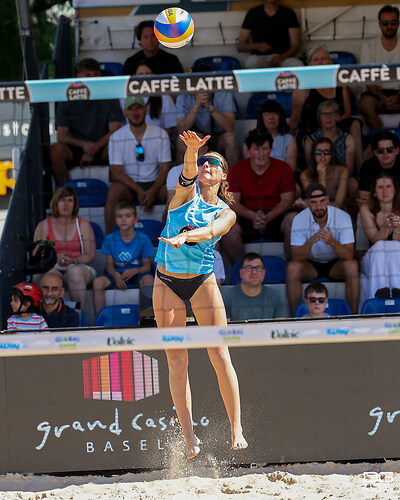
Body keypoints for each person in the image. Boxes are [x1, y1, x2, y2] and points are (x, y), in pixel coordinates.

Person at [153, 130, 247, 459]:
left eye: (215, 164)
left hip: (202, 279)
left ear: (223, 177)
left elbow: (212, 232)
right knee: (177, 360)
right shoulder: (182, 196)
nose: (207, 166)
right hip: (166, 281)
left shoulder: (225, 212)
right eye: (205, 162)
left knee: (220, 354)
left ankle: (236, 427)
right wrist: (193, 150)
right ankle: (189, 435)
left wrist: (188, 237)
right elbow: (187, 173)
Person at [221, 130, 295, 264]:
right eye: (256, 149)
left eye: (265, 149)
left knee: (294, 219)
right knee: (225, 225)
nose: (261, 154)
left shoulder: (283, 168)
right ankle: (241, 269)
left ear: (271, 150)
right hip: (247, 216)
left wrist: (267, 217)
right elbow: (232, 202)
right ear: (248, 150)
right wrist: (253, 216)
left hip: (276, 215)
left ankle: (291, 266)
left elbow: (287, 201)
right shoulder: (237, 170)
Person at [286, 183, 359, 316]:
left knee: (352, 266)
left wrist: (332, 242)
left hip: (336, 263)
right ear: (307, 203)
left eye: (322, 201)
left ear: (327, 200)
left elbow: (349, 255)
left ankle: (353, 316)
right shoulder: (299, 219)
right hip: (311, 264)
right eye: (313, 203)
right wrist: (310, 241)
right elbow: (296, 256)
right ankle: (295, 318)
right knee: (292, 268)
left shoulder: (342, 217)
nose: (319, 206)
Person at [50, 58, 124, 185]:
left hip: (103, 146)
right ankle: (63, 192)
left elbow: (115, 130)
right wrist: (85, 145)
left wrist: (94, 148)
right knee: (56, 150)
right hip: (77, 147)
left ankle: (116, 188)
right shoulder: (67, 98)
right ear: (79, 77)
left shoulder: (109, 95)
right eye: (88, 75)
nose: (92, 78)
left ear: (100, 75)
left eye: (95, 75)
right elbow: (61, 136)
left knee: (119, 144)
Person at [289, 46, 362, 170]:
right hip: (311, 131)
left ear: (330, 63)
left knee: (355, 124)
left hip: (335, 127)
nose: (320, 62)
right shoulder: (302, 88)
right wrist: (287, 141)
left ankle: (361, 170)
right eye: (315, 59)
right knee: (308, 140)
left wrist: (331, 121)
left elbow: (347, 112)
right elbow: (294, 120)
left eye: (323, 59)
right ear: (310, 64)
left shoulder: (340, 83)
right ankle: (312, 175)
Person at [105, 96, 171, 233]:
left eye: (139, 108)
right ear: (125, 113)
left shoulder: (160, 134)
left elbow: (165, 169)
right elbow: (116, 172)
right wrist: (138, 189)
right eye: (131, 109)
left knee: (175, 193)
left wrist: (153, 190)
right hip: (129, 186)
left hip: (155, 184)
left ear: (146, 110)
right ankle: (110, 240)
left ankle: (170, 239)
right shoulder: (116, 137)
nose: (135, 113)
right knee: (113, 191)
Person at [33, 186, 96, 313]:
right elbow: (36, 254)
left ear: (75, 204)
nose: (66, 204)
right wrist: (54, 258)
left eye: (70, 200)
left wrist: (74, 259)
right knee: (50, 274)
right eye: (62, 200)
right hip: (52, 266)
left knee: (74, 272)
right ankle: (49, 317)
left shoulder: (83, 224)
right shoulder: (44, 225)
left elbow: (90, 256)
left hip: (79, 266)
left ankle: (79, 316)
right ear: (56, 203)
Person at [93, 201, 155, 316]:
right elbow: (109, 266)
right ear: (116, 220)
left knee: (149, 280)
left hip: (137, 272)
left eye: (128, 216)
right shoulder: (110, 239)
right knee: (97, 282)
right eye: (120, 216)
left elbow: (147, 267)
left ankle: (148, 318)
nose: (123, 220)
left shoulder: (143, 239)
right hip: (117, 273)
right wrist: (116, 275)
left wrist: (135, 270)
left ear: (135, 220)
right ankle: (99, 320)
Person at [175, 63, 241, 167]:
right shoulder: (183, 96)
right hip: (196, 139)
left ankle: (232, 179)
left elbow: (229, 127)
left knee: (230, 138)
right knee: (181, 141)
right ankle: (184, 179)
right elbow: (181, 129)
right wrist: (197, 104)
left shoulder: (223, 92)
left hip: (218, 138)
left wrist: (208, 105)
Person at [359, 174, 400, 307]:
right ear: (374, 192)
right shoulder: (366, 209)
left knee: (394, 245)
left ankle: (396, 291)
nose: (385, 191)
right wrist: (386, 228)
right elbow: (374, 239)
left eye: (388, 186)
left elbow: (396, 242)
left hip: (396, 255)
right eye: (380, 187)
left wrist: (398, 228)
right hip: (373, 257)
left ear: (395, 190)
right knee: (381, 245)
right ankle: (378, 293)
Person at [359, 5, 400, 129]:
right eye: (385, 23)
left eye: (393, 23)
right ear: (380, 24)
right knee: (365, 104)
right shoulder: (369, 47)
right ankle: (380, 141)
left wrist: (398, 97)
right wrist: (384, 98)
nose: (389, 26)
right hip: (377, 94)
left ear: (398, 23)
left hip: (399, 92)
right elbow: (368, 80)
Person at [222, 252, 288, 321]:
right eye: (249, 268)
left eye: (258, 268)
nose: (254, 272)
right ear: (241, 273)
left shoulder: (276, 297)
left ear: (264, 273)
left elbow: (280, 328)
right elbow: (225, 329)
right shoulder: (226, 298)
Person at [236, 0, 302, 69]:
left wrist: (281, 58)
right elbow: (240, 46)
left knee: (297, 64)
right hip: (260, 58)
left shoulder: (289, 14)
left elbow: (295, 45)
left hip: (284, 58)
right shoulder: (252, 13)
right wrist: (257, 46)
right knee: (252, 61)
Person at [303, 100, 355, 175]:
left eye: (331, 113)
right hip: (318, 179)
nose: (328, 117)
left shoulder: (348, 139)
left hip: (342, 179)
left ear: (337, 116)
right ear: (319, 117)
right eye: (324, 113)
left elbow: (349, 168)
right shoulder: (310, 140)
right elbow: (310, 168)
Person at [124, 61, 177, 135]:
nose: (144, 77)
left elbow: (169, 129)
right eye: (140, 74)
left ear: (154, 75)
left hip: (159, 139)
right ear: (134, 76)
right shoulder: (124, 97)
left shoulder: (165, 98)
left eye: (147, 74)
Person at [300, 137, 349, 209]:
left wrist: (321, 176)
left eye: (326, 152)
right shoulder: (305, 175)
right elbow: (317, 203)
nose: (322, 156)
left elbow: (339, 204)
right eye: (318, 152)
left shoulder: (342, 171)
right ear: (313, 155)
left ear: (332, 155)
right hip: (316, 213)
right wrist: (321, 177)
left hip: (338, 212)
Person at [358, 130, 400, 205]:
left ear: (396, 151)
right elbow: (363, 196)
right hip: (376, 208)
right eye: (380, 151)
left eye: (389, 150)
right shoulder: (367, 166)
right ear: (375, 153)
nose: (385, 153)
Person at [253, 99, 297, 171]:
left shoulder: (289, 140)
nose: (271, 117)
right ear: (261, 117)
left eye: (275, 113)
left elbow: (290, 169)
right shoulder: (252, 139)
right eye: (267, 114)